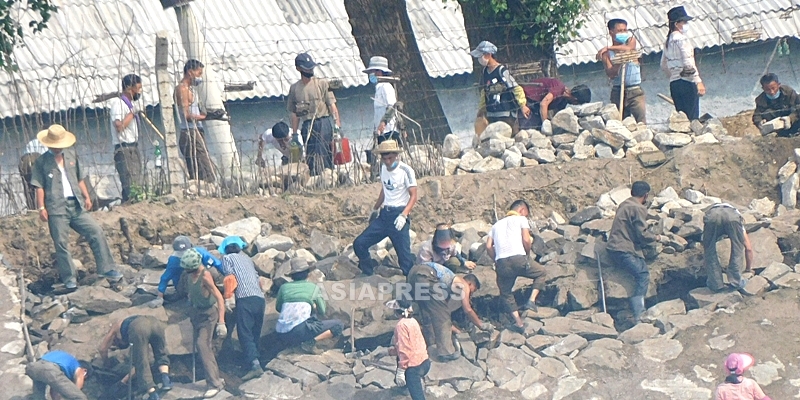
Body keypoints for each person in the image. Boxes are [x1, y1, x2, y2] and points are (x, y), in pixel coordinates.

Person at [30, 124, 122, 290]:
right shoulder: (41, 162)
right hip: (56, 207)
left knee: (95, 231)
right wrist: (41, 208)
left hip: (76, 204)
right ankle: (70, 279)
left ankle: (107, 269)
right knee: (61, 243)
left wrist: (86, 196)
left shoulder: (71, 155)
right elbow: (39, 187)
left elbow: (79, 178)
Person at [353, 140, 418, 276]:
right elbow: (385, 189)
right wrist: (375, 208)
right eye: (385, 158)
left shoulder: (406, 171)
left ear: (396, 156)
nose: (388, 161)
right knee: (359, 243)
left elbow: (413, 196)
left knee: (405, 258)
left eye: (390, 158)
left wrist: (404, 215)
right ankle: (368, 273)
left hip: (399, 215)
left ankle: (413, 286)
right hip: (384, 215)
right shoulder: (383, 168)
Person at [405, 262, 491, 362]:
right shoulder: (463, 284)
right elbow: (467, 309)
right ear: (470, 283)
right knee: (442, 313)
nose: (471, 293)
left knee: (427, 311)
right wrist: (481, 325)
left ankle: (431, 342)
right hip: (427, 275)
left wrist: (457, 331)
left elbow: (436, 313)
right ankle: (446, 352)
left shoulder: (445, 286)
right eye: (473, 290)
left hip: (413, 274)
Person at [486, 200, 547, 333]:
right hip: (519, 258)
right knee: (541, 272)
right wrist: (527, 255)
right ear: (522, 210)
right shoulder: (521, 220)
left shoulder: (495, 225)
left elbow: (488, 246)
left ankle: (519, 323)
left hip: (502, 263)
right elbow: (526, 240)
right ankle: (531, 300)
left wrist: (496, 260)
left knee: (506, 292)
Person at [606, 181, 663, 322]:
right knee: (643, 274)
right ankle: (639, 314)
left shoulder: (624, 205)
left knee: (641, 265)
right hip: (621, 249)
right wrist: (657, 237)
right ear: (646, 195)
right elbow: (642, 234)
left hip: (614, 246)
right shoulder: (638, 208)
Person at [180, 248, 227, 398]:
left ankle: (214, 383)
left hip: (208, 315)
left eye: (188, 269)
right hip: (196, 313)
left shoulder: (205, 276)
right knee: (203, 347)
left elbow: (219, 298)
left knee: (202, 345)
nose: (186, 271)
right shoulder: (189, 275)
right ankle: (216, 378)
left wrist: (221, 322)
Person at [218, 236, 266, 381]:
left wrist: (228, 297)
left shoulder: (227, 259)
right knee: (254, 332)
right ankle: (253, 360)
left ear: (226, 250)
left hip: (245, 299)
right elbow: (257, 278)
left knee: (244, 333)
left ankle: (255, 366)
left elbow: (229, 277)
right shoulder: (247, 259)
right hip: (259, 298)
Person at [287, 52, 341, 175]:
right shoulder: (295, 88)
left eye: (311, 68)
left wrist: (337, 127)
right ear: (298, 69)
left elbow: (332, 106)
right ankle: (315, 178)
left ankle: (327, 176)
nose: (309, 70)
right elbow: (294, 113)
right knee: (310, 153)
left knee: (323, 152)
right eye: (306, 68)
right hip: (307, 125)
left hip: (323, 122)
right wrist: (295, 134)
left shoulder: (322, 83)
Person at [275, 259, 344, 354]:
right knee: (338, 325)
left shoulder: (284, 287)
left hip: (281, 333)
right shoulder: (313, 287)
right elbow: (322, 310)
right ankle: (311, 342)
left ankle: (295, 344)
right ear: (308, 274)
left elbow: (278, 308)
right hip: (299, 331)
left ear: (292, 276)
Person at [98, 316, 172, 400]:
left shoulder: (116, 328)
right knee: (160, 353)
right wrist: (124, 380)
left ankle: (152, 394)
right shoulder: (128, 323)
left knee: (141, 360)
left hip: (139, 326)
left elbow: (102, 349)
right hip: (156, 323)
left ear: (116, 339)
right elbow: (136, 369)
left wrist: (107, 364)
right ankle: (166, 380)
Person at [470, 41, 530, 135]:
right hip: (492, 114)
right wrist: (481, 109)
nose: (479, 59)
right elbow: (484, 92)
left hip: (506, 114)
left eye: (480, 55)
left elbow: (516, 88)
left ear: (488, 54)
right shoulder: (485, 72)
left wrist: (523, 105)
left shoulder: (501, 71)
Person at [148, 235, 223, 308]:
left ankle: (212, 288)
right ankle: (192, 297)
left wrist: (228, 277)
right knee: (186, 274)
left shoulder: (200, 252)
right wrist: (159, 297)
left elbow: (217, 263)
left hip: (202, 279)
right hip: (183, 285)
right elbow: (165, 278)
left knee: (212, 270)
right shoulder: (174, 260)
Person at [598, 18, 647, 123]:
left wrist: (609, 48)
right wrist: (619, 62)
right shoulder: (607, 55)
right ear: (611, 32)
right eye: (620, 31)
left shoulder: (630, 40)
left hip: (635, 91)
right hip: (618, 91)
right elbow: (610, 73)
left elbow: (629, 48)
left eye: (625, 30)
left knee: (641, 121)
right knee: (620, 121)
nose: (624, 33)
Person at [661, 6, 705, 121]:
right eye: (684, 22)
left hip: (674, 84)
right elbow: (688, 61)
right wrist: (698, 81)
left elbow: (663, 64)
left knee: (682, 118)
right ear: (676, 24)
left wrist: (673, 76)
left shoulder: (667, 41)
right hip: (687, 82)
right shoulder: (682, 39)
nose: (686, 24)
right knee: (692, 118)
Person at [175, 59, 216, 183]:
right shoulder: (182, 89)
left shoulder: (191, 89)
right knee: (203, 165)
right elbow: (187, 115)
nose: (199, 77)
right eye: (198, 73)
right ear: (190, 72)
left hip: (197, 130)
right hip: (190, 132)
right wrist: (205, 117)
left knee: (202, 163)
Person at [702, 203, 754, 292]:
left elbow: (705, 245)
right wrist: (749, 269)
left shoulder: (712, 212)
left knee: (709, 249)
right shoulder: (735, 216)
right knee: (737, 247)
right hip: (732, 217)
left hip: (712, 216)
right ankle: (736, 282)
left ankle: (715, 284)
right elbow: (748, 248)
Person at [109, 74, 144, 202]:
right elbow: (119, 126)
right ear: (129, 88)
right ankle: (131, 202)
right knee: (130, 182)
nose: (139, 92)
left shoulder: (129, 105)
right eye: (138, 89)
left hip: (133, 147)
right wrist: (132, 113)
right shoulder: (119, 104)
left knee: (136, 180)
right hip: (124, 149)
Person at [387, 301, 430, 400]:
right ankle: (404, 387)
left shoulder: (401, 325)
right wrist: (388, 352)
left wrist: (401, 371)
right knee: (400, 357)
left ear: (397, 312)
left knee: (418, 397)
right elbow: (412, 346)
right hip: (425, 362)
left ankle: (405, 384)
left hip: (413, 369)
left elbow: (404, 350)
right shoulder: (413, 321)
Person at [518, 77, 592, 129]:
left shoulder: (563, 100)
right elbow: (543, 104)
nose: (574, 105)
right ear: (575, 99)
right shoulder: (558, 88)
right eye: (577, 104)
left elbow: (557, 116)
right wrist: (546, 125)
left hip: (533, 106)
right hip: (522, 99)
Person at [363, 56, 402, 144]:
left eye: (372, 72)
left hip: (389, 131)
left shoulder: (386, 86)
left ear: (379, 72)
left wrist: (383, 123)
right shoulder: (378, 88)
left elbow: (391, 107)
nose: (370, 75)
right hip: (381, 133)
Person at [25, 350, 92, 400]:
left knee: (38, 398)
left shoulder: (65, 363)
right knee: (80, 397)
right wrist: (75, 392)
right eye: (84, 378)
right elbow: (79, 381)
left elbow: (54, 391)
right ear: (85, 371)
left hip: (34, 367)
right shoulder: (78, 367)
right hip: (49, 369)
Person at [19, 137, 48, 210]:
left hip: (25, 160)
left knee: (29, 187)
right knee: (43, 185)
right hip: (37, 158)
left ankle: (31, 208)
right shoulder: (49, 143)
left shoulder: (32, 142)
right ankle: (44, 207)